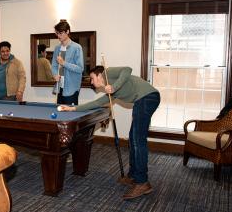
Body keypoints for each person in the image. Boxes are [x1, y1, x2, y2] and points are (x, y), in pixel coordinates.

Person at [59, 66, 161, 200]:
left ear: (99, 75)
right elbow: (95, 103)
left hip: (148, 96)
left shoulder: (107, 73)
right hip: (142, 100)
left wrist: (114, 87)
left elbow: (128, 70)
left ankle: (142, 182)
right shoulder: (109, 94)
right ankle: (134, 176)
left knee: (137, 140)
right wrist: (72, 108)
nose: (91, 82)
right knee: (133, 138)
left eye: (92, 78)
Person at [51, 20, 84, 105]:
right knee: (59, 114)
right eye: (57, 33)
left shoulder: (77, 47)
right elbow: (54, 66)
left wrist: (64, 63)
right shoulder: (57, 48)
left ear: (67, 31)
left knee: (70, 116)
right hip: (60, 87)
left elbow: (80, 69)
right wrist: (55, 74)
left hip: (71, 89)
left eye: (61, 33)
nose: (58, 36)